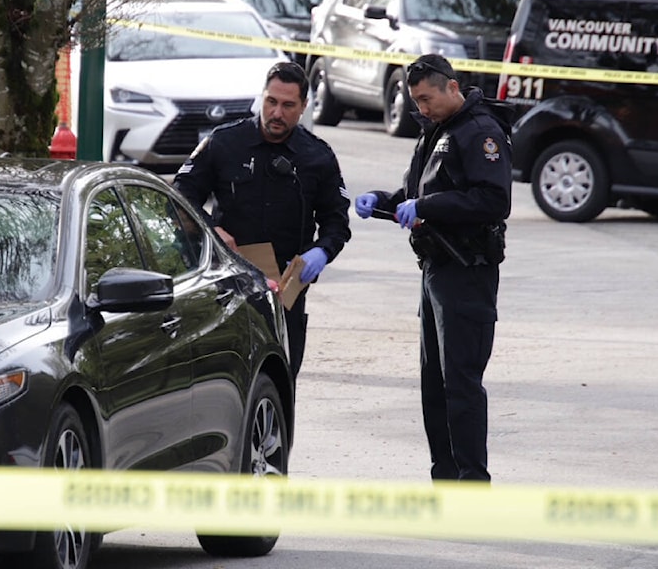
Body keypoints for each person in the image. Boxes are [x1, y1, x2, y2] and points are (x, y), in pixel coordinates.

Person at [354, 54, 512, 482]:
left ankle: (471, 485)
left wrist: (426, 206)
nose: (421, 108)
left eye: (427, 98)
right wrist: (382, 201)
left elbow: (494, 200)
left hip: (467, 270)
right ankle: (444, 478)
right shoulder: (435, 133)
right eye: (416, 100)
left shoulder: (479, 132)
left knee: (460, 384)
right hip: (435, 268)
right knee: (434, 384)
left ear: (452, 88)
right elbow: (413, 192)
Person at [174, 61, 351, 381]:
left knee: (280, 383)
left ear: (303, 108)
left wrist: (322, 252)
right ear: (262, 99)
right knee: (226, 382)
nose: (277, 113)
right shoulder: (225, 143)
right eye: (271, 102)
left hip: (285, 292)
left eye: (287, 105)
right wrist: (211, 231)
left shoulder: (317, 156)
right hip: (228, 286)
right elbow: (180, 197)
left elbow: (336, 222)